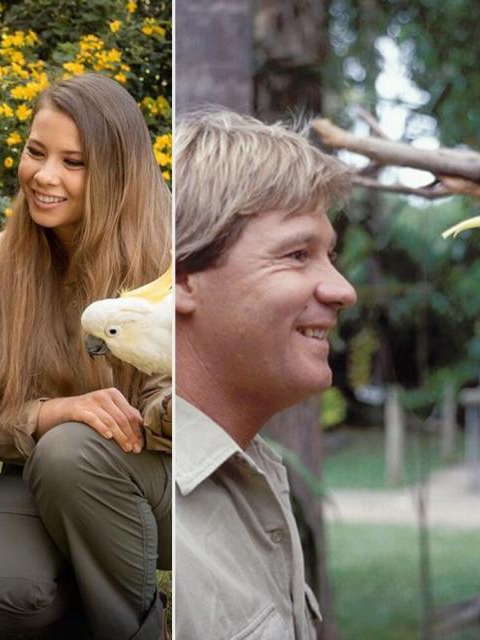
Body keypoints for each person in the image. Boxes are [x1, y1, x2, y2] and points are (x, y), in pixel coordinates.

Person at [0, 73, 171, 640]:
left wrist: (163, 416)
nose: (45, 176)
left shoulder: (172, 258)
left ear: (116, 172)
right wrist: (51, 413)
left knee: (72, 456)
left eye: (74, 162)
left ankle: (142, 629)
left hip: (166, 482)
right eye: (36, 152)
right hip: (42, 477)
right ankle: (98, 586)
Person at [173, 110, 357, 639]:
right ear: (184, 277)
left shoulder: (252, 469)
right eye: (297, 255)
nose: (342, 289)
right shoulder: (164, 523)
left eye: (328, 255)